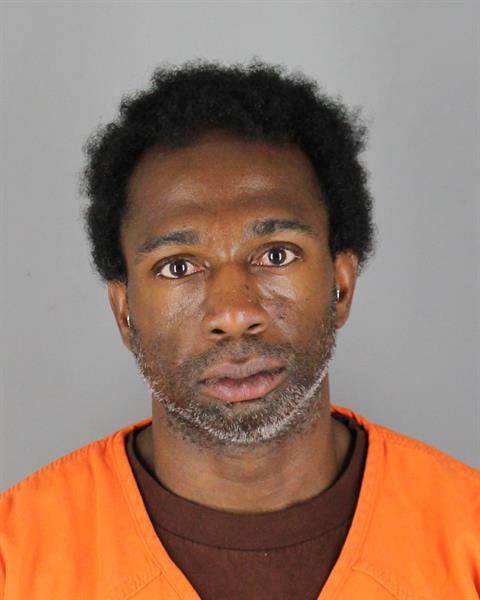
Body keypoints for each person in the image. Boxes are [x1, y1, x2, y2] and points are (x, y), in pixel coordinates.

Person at [1, 61, 478, 600]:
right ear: (124, 312)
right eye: (178, 266)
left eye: (276, 255)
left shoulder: (467, 537)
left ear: (341, 285)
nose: (233, 313)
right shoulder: (16, 559)